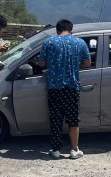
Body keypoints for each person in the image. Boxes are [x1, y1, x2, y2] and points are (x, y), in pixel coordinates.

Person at [36, 19, 91, 159]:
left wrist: (52, 64)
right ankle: (74, 150)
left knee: (56, 118)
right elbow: (87, 62)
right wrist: (75, 66)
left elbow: (41, 62)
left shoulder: (49, 42)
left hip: (54, 86)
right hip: (72, 87)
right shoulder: (80, 43)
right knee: (73, 119)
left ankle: (55, 150)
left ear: (57, 30)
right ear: (71, 30)